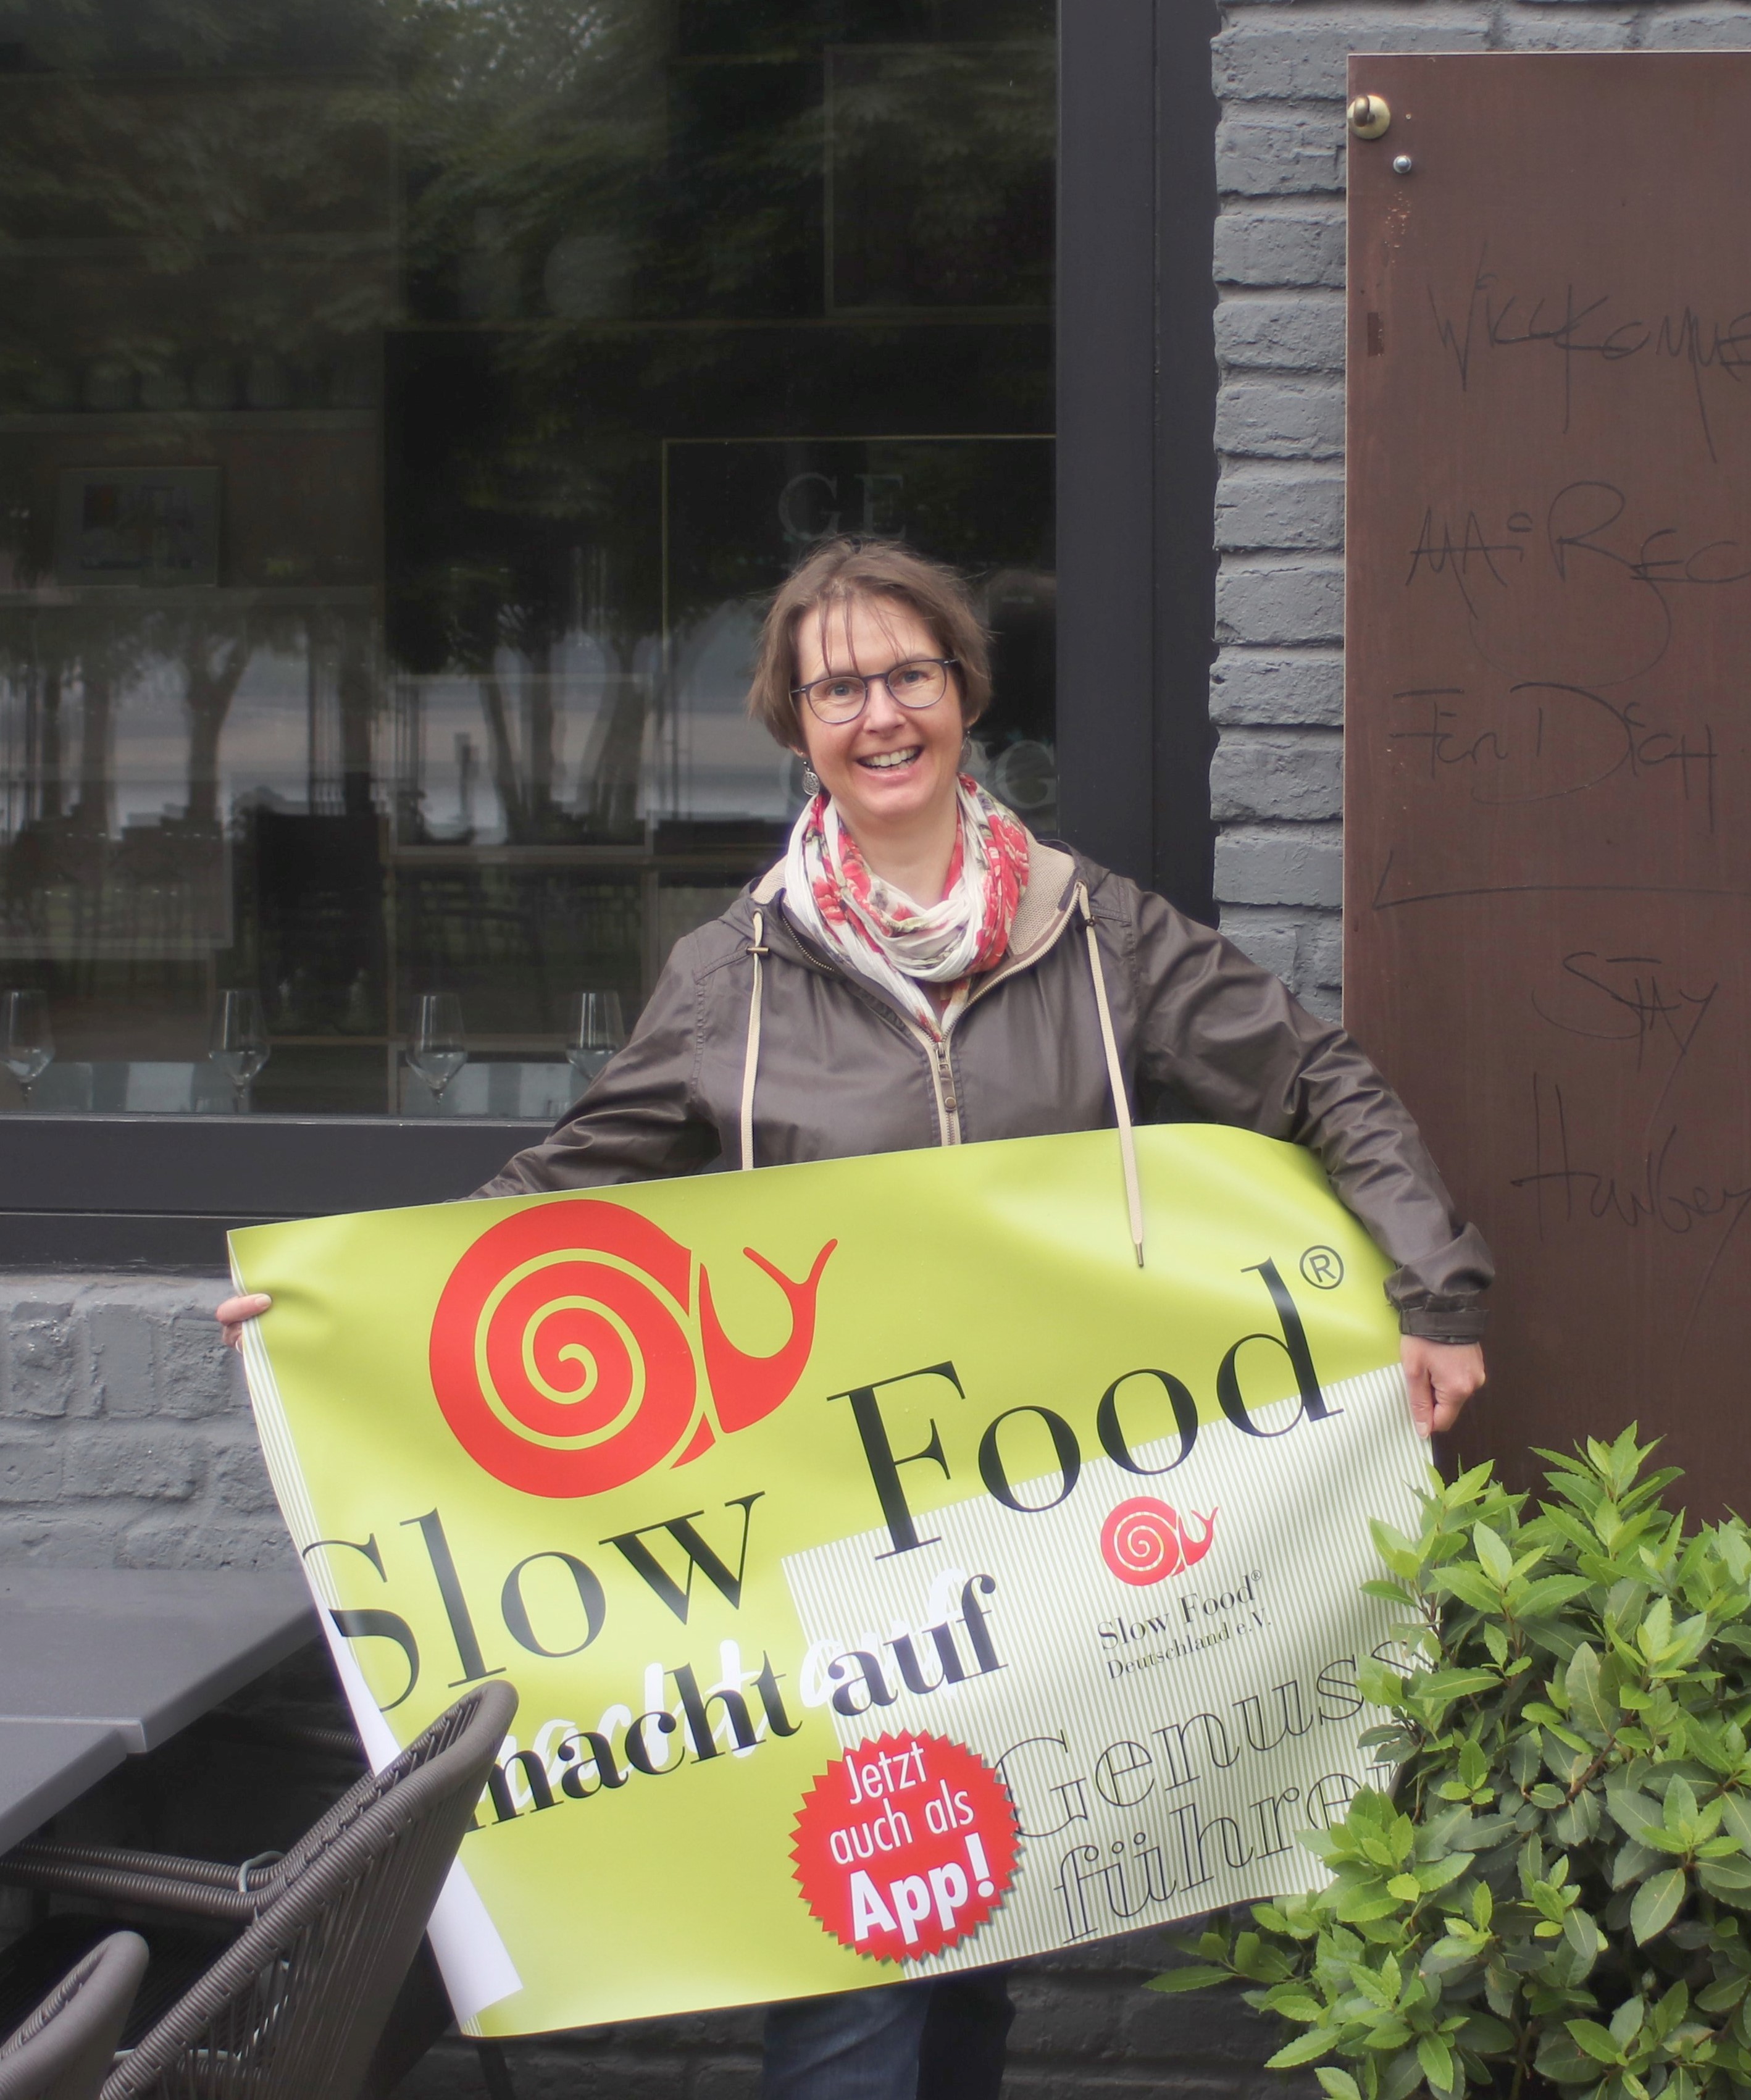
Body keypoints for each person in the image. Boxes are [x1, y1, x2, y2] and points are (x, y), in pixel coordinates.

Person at [217, 535, 1492, 2100]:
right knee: (861, 1963)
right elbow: (555, 1203)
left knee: (982, 1936)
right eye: (839, 690)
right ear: (797, 723)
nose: (881, 714)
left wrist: (1434, 1290)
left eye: (910, 676)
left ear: (964, 693)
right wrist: (336, 1311)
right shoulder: (734, 976)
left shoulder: (1099, 934)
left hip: (1044, 1522)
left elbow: (1316, 1079)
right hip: (842, 1566)